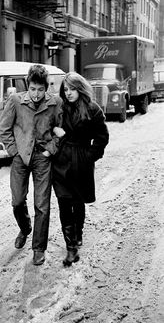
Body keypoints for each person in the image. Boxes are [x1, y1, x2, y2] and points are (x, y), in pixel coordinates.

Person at [0, 64, 62, 266]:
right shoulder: (16, 100)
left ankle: (38, 249)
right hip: (20, 157)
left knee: (42, 205)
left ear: (46, 87)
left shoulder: (55, 103)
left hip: (42, 158)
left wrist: (50, 149)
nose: (36, 94)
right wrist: (13, 151)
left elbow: (61, 130)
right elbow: (4, 127)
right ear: (28, 86)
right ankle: (25, 228)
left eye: (40, 89)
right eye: (33, 89)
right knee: (17, 201)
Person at [52, 72, 109, 267]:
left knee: (77, 201)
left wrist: (90, 156)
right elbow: (49, 125)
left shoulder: (93, 109)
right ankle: (71, 247)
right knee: (63, 201)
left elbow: (102, 137)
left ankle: (78, 234)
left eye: (72, 89)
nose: (68, 93)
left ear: (80, 88)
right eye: (65, 89)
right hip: (60, 161)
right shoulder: (60, 108)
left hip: (80, 162)